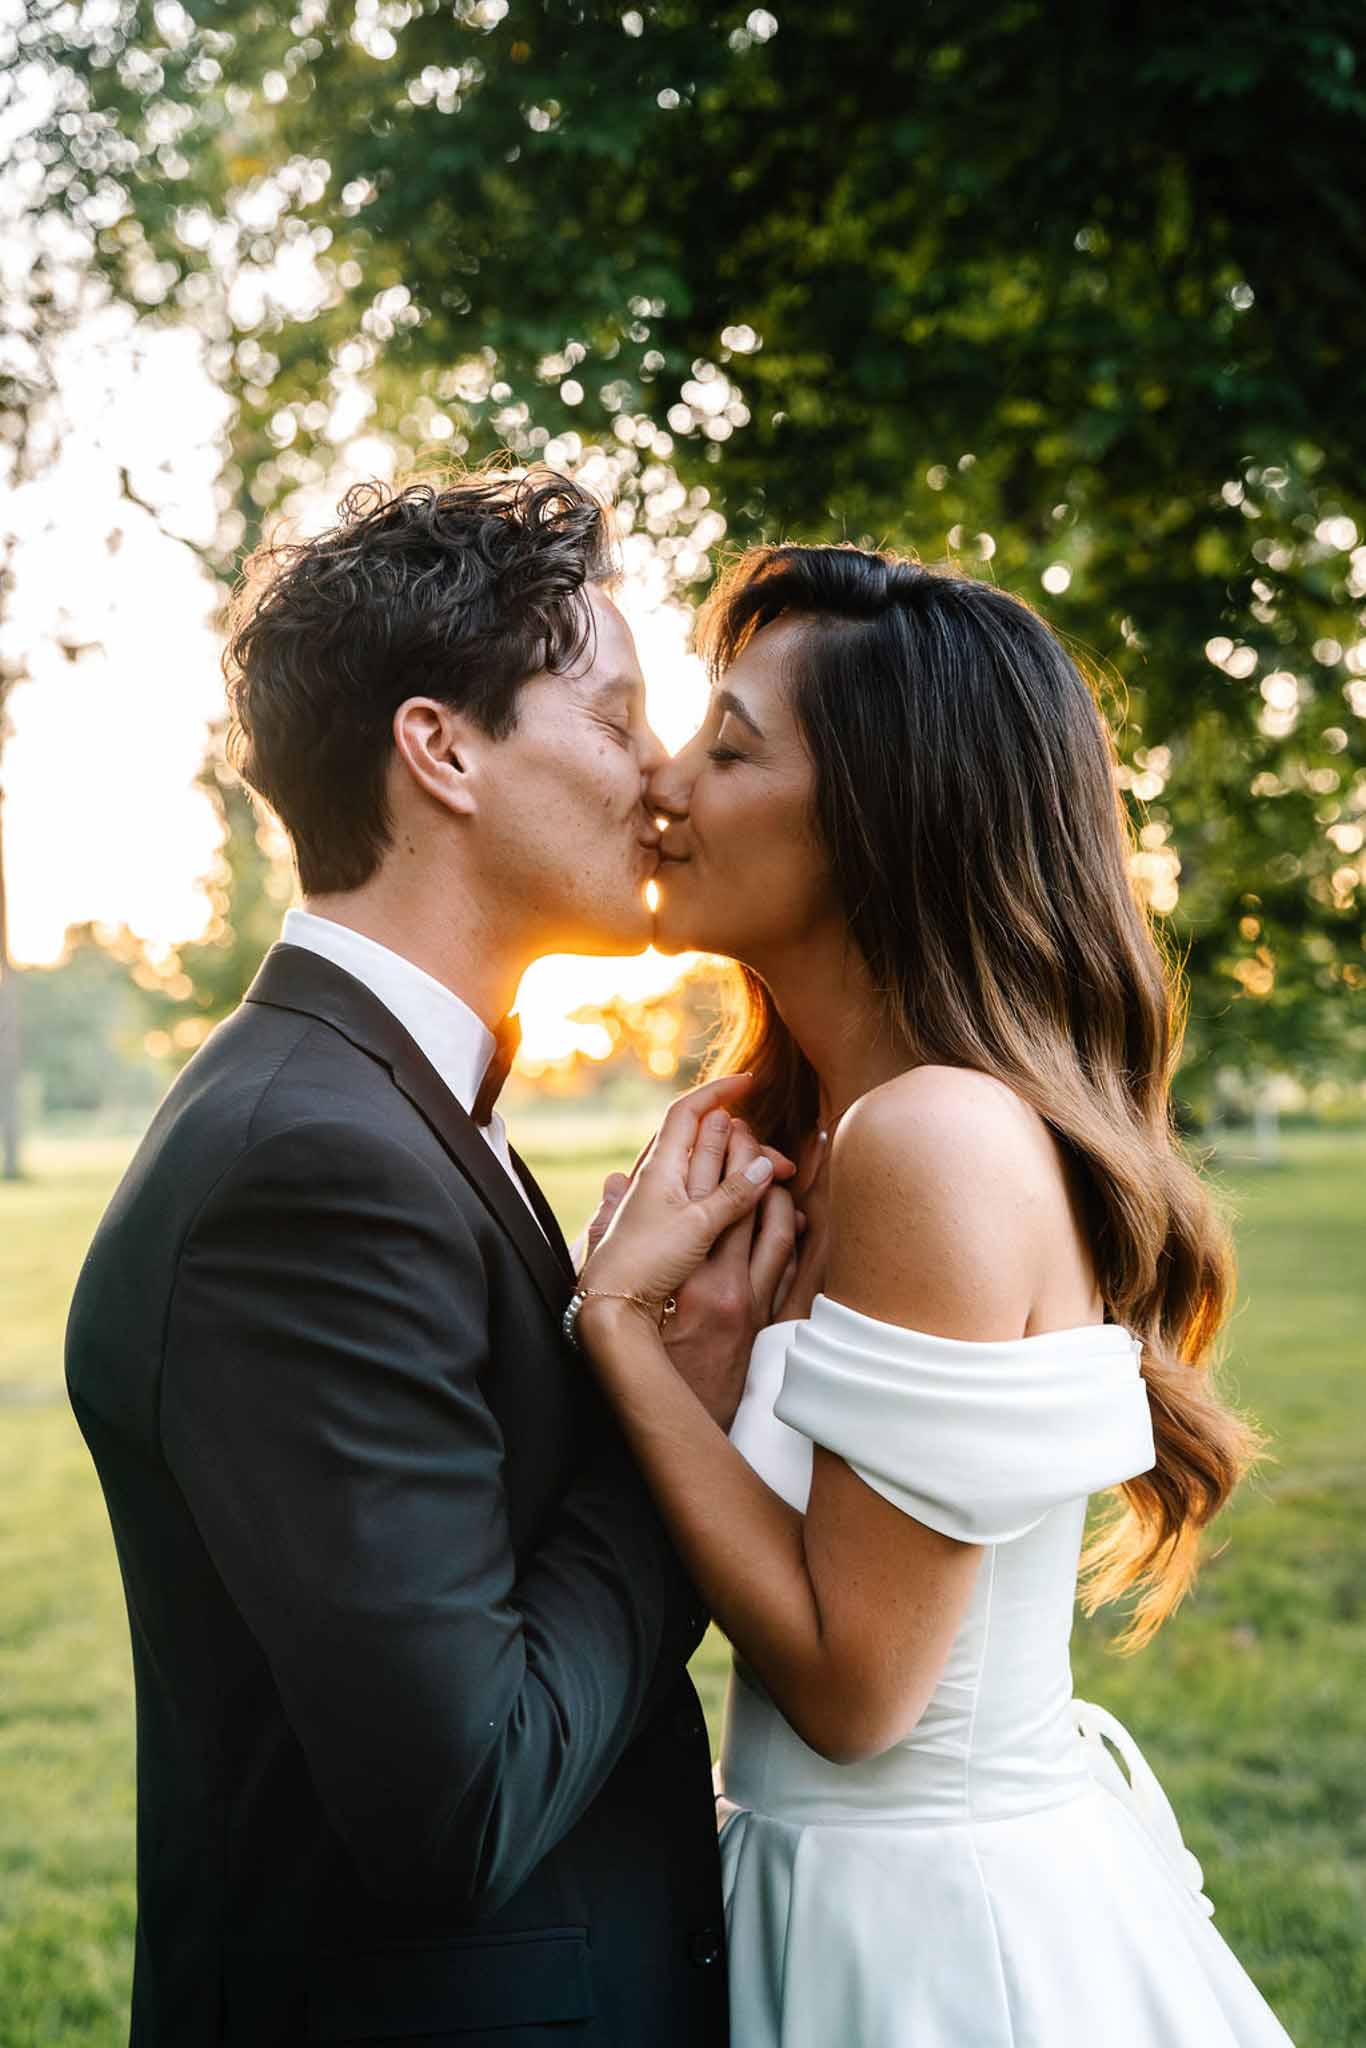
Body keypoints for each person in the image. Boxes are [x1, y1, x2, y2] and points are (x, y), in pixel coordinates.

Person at [64, 468, 796, 2047]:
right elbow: (464, 1797)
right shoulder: (306, 1167)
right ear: (441, 749)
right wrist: (668, 1402)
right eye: (616, 719)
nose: (661, 775)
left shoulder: (381, 1101)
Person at [570, 543, 1296, 2045]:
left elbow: (859, 1695)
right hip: (821, 1880)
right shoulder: (837, 1136)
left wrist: (618, 1339)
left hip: (932, 1939)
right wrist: (698, 1363)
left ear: (879, 821)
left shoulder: (933, 1140)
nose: (665, 782)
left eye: (730, 748)